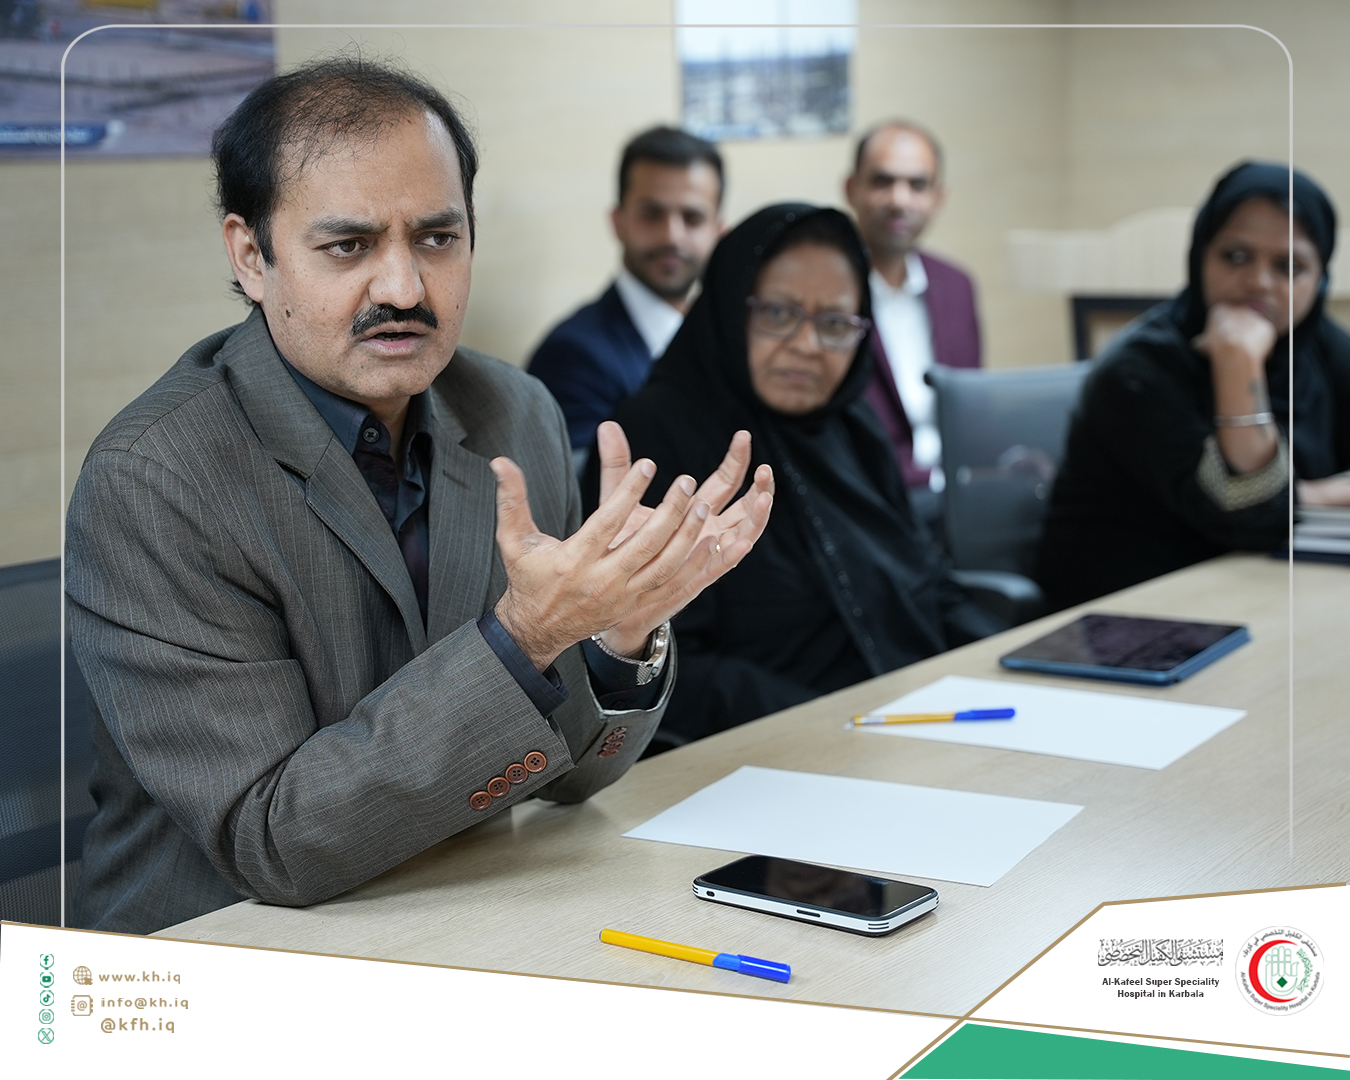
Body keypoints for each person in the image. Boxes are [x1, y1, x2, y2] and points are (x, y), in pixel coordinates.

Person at [64, 58, 772, 936]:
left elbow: (573, 774)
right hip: (220, 948)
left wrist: (620, 635)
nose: (403, 289)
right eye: (348, 246)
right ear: (252, 256)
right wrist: (527, 638)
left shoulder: (514, 413)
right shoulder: (155, 479)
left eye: (437, 238)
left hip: (463, 906)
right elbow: (274, 842)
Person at [588, 204, 1001, 745]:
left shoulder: (852, 425)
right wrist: (841, 728)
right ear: (732, 306)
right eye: (779, 313)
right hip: (764, 752)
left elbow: (926, 579)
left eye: (835, 323)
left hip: (915, 724)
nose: (807, 345)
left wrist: (1002, 665)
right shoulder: (659, 435)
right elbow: (663, 665)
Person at [1035, 161, 1350, 610]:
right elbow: (1254, 517)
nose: (1259, 282)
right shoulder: (1139, 369)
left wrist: (1296, 498)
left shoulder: (1316, 345)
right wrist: (1238, 363)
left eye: (1288, 266)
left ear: (1319, 281)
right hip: (1125, 614)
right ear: (1200, 255)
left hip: (1257, 593)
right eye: (1236, 256)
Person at [528, 126, 724, 467]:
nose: (672, 236)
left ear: (718, 231)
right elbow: (577, 492)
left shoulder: (726, 338)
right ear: (618, 222)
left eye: (692, 218)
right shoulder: (572, 355)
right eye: (652, 214)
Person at [845, 121, 981, 518]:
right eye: (882, 181)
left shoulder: (956, 286)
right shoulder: (828, 293)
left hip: (956, 496)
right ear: (851, 189)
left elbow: (970, 407)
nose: (899, 199)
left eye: (917, 185)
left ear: (938, 197)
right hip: (875, 502)